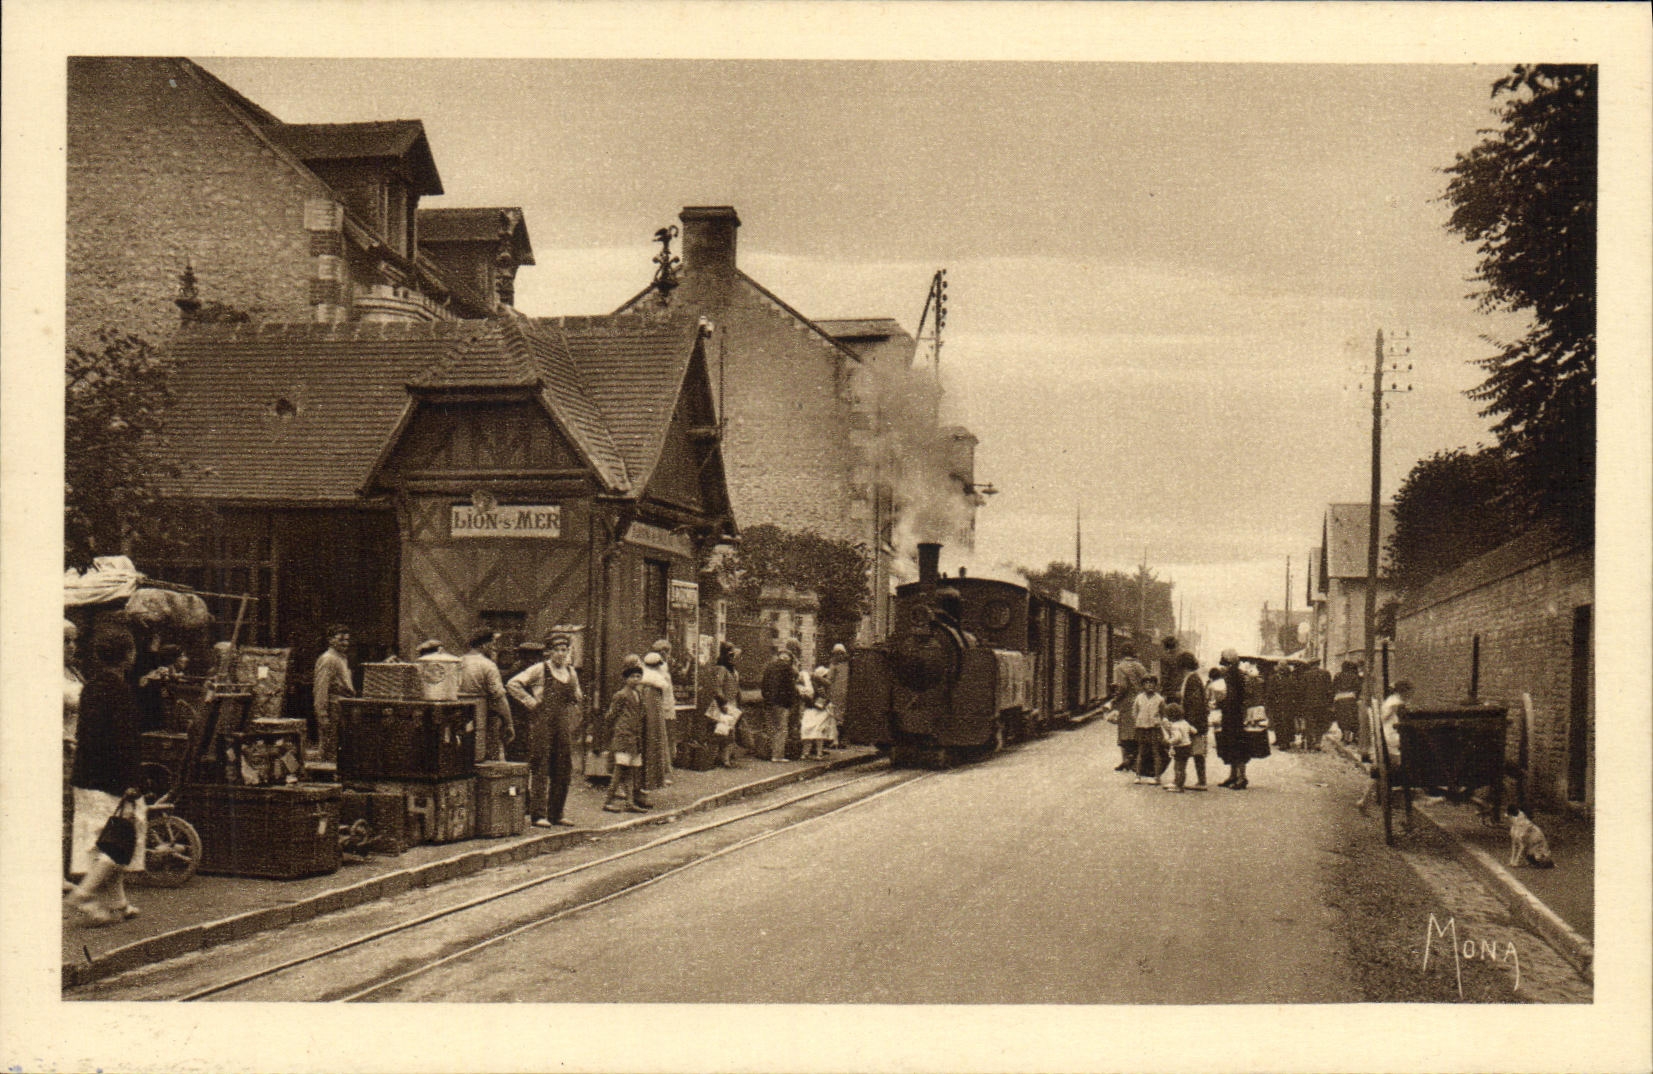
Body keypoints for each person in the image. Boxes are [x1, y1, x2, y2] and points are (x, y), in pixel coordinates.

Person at [65, 628, 147, 926]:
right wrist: (132, 781)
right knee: (121, 838)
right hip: (110, 779)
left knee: (106, 836)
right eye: (133, 650)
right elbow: (124, 742)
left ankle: (119, 903)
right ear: (127, 656)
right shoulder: (119, 691)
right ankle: (83, 894)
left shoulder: (91, 687)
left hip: (85, 776)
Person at [600, 658, 650, 813]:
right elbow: (610, 716)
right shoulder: (621, 695)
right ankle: (608, 801)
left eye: (638, 676)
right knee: (619, 770)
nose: (636, 679)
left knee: (630, 771)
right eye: (632, 677)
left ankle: (629, 802)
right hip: (623, 736)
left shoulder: (638, 695)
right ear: (626, 679)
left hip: (634, 737)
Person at [1215, 649, 1266, 789]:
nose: (1223, 666)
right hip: (1231, 715)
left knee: (1238, 747)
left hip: (1235, 716)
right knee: (1231, 746)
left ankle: (1241, 777)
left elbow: (1233, 696)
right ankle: (1233, 776)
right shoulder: (1235, 675)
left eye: (1225, 663)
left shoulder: (1234, 676)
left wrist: (1222, 702)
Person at [1358, 680, 1413, 812]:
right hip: (1391, 739)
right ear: (1403, 691)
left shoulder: (1392, 700)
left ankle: (1364, 800)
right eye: (1409, 692)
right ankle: (1398, 799)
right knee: (1398, 767)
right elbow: (1384, 718)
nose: (1410, 695)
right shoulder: (1396, 703)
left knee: (1381, 772)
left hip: (1388, 738)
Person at [460, 628, 513, 762]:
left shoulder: (458, 662)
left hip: (459, 717)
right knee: (486, 757)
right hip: (483, 718)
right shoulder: (488, 666)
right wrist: (509, 723)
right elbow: (499, 698)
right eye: (492, 643)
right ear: (484, 645)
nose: (494, 648)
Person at [312, 624, 355, 761]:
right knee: (329, 746)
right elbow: (321, 687)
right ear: (330, 640)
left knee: (339, 746)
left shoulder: (341, 658)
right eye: (341, 639)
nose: (345, 643)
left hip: (342, 706)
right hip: (332, 707)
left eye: (347, 640)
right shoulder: (328, 659)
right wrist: (322, 714)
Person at [63, 620, 85, 888]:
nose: (71, 647)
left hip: (77, 747)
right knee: (61, 810)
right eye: (66, 641)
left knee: (72, 810)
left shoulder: (75, 673)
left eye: (74, 641)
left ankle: (69, 870)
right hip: (61, 747)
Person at [637, 652, 674, 803]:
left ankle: (644, 785)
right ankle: (649, 784)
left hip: (646, 720)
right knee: (653, 748)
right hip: (655, 721)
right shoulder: (657, 682)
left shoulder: (643, 683)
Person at [1108, 644, 1147, 772]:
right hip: (1141, 702)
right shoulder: (1140, 666)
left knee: (1125, 733)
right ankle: (1136, 760)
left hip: (1127, 703)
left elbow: (1122, 687)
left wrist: (1115, 700)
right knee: (1138, 732)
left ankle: (1126, 760)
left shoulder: (1120, 668)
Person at [759, 644, 799, 763]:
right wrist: (791, 702)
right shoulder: (787, 669)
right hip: (782, 703)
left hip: (768, 702)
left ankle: (770, 753)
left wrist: (766, 698)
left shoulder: (769, 667)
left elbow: (763, 685)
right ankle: (778, 756)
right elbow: (791, 687)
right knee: (781, 729)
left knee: (771, 728)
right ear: (788, 658)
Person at [1175, 651, 1209, 790]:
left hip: (1194, 722)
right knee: (1197, 751)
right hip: (1196, 721)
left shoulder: (1192, 679)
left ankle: (1199, 782)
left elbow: (1194, 702)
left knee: (1194, 751)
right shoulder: (1192, 678)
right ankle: (1200, 780)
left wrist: (1189, 723)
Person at [707, 642, 743, 768]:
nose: (734, 658)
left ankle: (724, 758)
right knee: (721, 732)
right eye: (732, 655)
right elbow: (717, 687)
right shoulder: (722, 669)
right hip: (723, 704)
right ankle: (721, 759)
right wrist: (723, 703)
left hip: (732, 704)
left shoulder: (733, 670)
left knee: (728, 732)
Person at [1131, 675, 1167, 785]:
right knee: (1141, 751)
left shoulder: (1159, 699)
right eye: (1147, 683)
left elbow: (1163, 714)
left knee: (1155, 752)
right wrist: (1138, 721)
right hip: (1141, 728)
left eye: (1152, 683)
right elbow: (1134, 712)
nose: (1149, 685)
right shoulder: (1139, 698)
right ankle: (1138, 775)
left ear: (1156, 685)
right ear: (1143, 685)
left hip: (1154, 728)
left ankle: (1157, 777)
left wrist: (1160, 723)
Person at [1299, 659, 1335, 750]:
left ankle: (1310, 742)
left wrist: (1301, 703)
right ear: (1318, 664)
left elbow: (1302, 691)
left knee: (1310, 723)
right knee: (1320, 723)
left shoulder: (1305, 675)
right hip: (1322, 704)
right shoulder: (1326, 673)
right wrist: (1329, 703)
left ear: (1310, 665)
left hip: (1309, 704)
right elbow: (1330, 690)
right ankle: (1318, 742)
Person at [800, 666, 835, 760]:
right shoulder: (818, 686)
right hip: (816, 710)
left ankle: (809, 753)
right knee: (814, 731)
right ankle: (814, 753)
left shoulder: (814, 686)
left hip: (814, 710)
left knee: (812, 731)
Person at [1161, 701, 1196, 792]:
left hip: (1180, 748)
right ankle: (1179, 783)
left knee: (1177, 767)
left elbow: (1177, 737)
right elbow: (1194, 730)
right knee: (1182, 768)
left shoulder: (1175, 726)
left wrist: (1169, 741)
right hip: (1187, 747)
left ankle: (1179, 786)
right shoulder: (1185, 722)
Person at [1332, 659, 1363, 748]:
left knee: (1342, 717)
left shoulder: (1338, 675)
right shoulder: (1354, 676)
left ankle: (1345, 737)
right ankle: (1353, 737)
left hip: (1339, 699)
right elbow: (1358, 688)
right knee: (1352, 717)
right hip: (1351, 698)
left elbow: (1333, 687)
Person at [826, 643, 851, 748]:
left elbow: (829, 679)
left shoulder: (834, 664)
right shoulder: (848, 664)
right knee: (843, 716)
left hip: (835, 692)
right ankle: (843, 741)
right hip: (846, 692)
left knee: (834, 716)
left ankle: (834, 741)